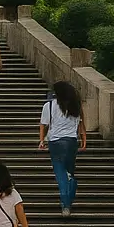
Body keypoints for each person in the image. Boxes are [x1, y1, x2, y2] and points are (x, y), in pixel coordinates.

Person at [39, 80, 87, 218]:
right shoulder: (75, 106)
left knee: (60, 172)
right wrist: (84, 139)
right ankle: (70, 190)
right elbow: (80, 124)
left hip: (55, 142)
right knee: (69, 171)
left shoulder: (49, 106)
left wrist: (42, 140)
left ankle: (66, 204)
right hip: (71, 142)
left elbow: (43, 124)